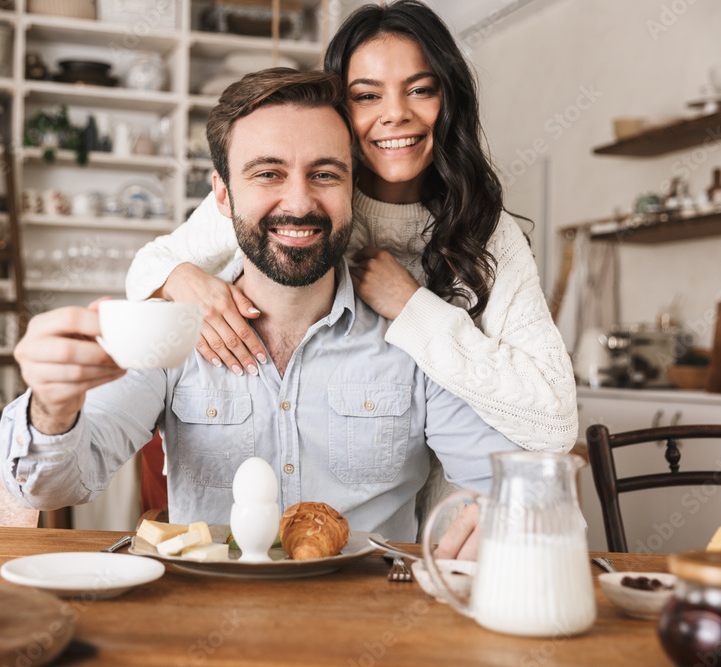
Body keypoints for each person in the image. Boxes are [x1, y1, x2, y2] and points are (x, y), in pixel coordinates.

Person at [0, 69, 520, 551]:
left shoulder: (414, 331)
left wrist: (495, 513)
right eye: (268, 174)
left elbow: (498, 483)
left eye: (325, 174)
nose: (299, 203)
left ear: (351, 190)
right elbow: (51, 487)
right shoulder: (173, 328)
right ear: (223, 196)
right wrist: (51, 406)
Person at [125, 0, 577, 456]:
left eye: (420, 90)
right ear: (338, 110)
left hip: (455, 497)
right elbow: (146, 268)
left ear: (449, 99)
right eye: (366, 95)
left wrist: (411, 307)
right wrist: (183, 282)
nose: (396, 113)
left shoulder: (484, 228)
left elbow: (555, 420)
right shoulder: (297, 203)